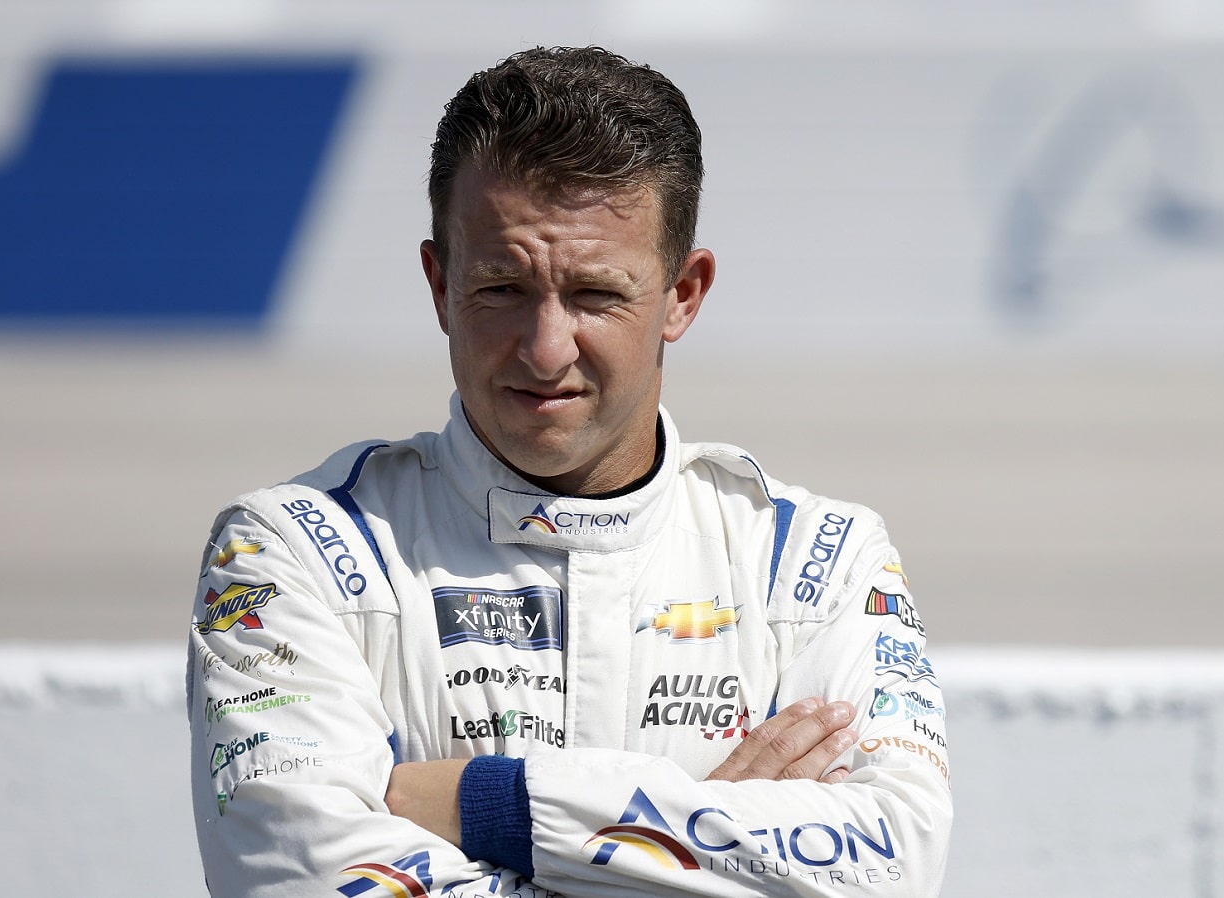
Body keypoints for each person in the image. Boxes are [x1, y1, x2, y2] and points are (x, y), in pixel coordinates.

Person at [188, 45, 952, 897]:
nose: (546, 351)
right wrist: (708, 846)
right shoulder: (290, 550)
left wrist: (491, 808)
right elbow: (301, 883)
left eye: (595, 294)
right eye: (501, 289)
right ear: (439, 285)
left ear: (683, 294)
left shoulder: (821, 562)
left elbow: (892, 868)